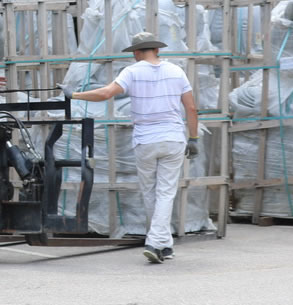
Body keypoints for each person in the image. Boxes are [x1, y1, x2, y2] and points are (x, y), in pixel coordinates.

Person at [68, 31, 199, 264]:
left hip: (145, 140)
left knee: (150, 192)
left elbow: (106, 93)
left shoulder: (132, 72)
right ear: (156, 49)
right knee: (166, 192)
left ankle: (156, 243)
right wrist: (194, 138)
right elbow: (191, 108)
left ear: (136, 52)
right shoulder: (176, 71)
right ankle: (162, 244)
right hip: (173, 139)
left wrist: (75, 94)